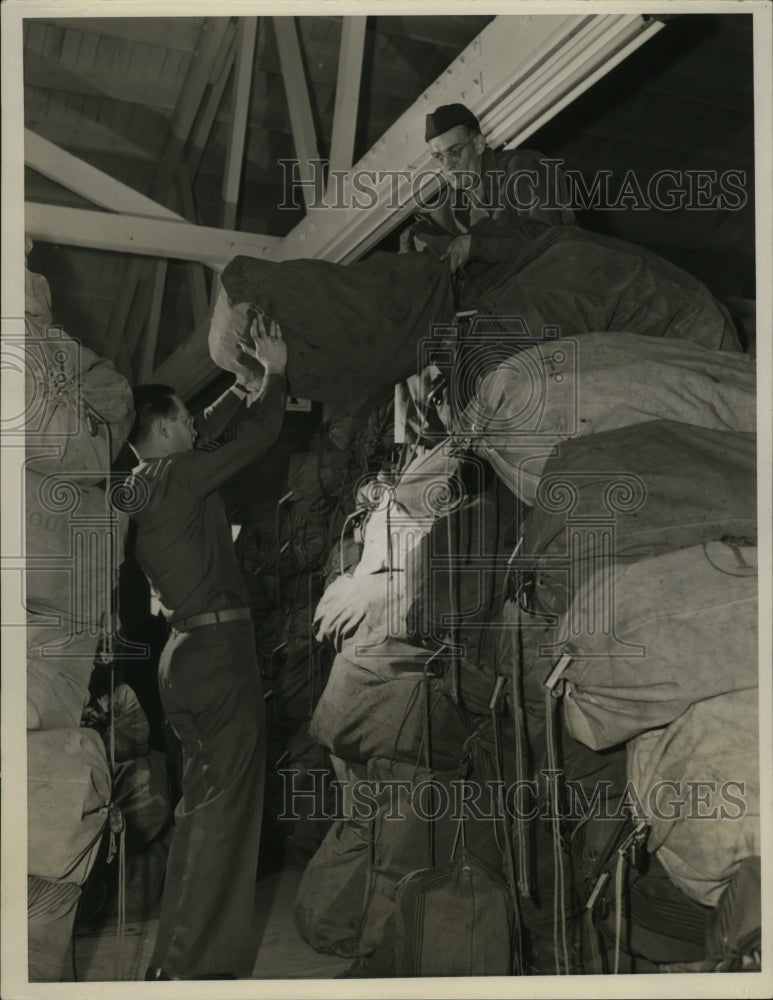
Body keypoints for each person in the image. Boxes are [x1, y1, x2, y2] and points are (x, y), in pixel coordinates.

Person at [125, 315, 287, 980]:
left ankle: (172, 964)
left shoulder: (142, 486)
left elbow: (209, 435)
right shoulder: (178, 479)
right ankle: (193, 977)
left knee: (199, 817)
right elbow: (255, 438)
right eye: (185, 421)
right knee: (227, 819)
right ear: (165, 429)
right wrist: (273, 378)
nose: (196, 428)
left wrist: (236, 391)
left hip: (182, 659)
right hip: (218, 657)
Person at [400, 102, 575, 273]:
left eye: (454, 152)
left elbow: (545, 237)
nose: (447, 165)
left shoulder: (521, 167)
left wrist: (475, 246)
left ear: (478, 144)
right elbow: (421, 227)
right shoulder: (451, 202)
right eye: (438, 156)